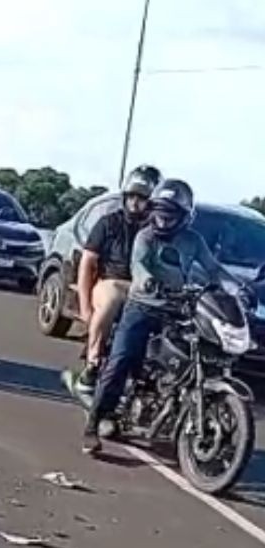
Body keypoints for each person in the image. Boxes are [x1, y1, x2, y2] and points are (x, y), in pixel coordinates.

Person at [83, 179, 229, 455]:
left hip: (177, 311)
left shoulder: (193, 241)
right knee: (121, 360)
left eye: (170, 215)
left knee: (192, 356)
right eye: (160, 213)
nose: (163, 221)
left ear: (184, 216)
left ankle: (178, 409)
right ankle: (92, 426)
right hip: (142, 307)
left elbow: (213, 269)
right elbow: (138, 265)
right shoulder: (145, 236)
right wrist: (148, 281)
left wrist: (237, 288)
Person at [73, 166, 160, 388]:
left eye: (141, 198)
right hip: (110, 282)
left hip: (145, 288)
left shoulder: (158, 231)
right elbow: (87, 264)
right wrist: (85, 308)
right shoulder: (108, 223)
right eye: (131, 196)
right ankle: (93, 363)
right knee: (111, 299)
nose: (134, 203)